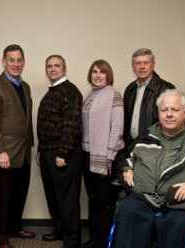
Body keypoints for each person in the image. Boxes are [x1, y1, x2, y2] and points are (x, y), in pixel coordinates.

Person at [115, 89, 185, 248]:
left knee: (178, 222)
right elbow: (124, 156)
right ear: (158, 113)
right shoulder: (146, 136)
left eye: (175, 110)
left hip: (180, 202)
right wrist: (127, 168)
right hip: (145, 197)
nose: (169, 114)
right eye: (164, 110)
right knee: (128, 208)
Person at [0, 44, 35, 248]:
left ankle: (14, 227)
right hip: (2, 155)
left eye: (19, 59)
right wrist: (0, 151)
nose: (16, 64)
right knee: (0, 200)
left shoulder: (25, 86)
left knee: (18, 195)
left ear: (24, 61)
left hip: (23, 154)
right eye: (11, 60)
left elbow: (25, 120)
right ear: (3, 62)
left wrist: (32, 148)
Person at [36, 55, 83, 248]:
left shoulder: (70, 91)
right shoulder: (52, 91)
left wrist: (62, 153)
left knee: (67, 197)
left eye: (57, 66)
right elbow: (46, 124)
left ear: (64, 69)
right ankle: (60, 230)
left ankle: (72, 240)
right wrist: (40, 150)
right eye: (49, 66)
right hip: (47, 152)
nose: (52, 69)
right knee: (53, 195)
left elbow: (71, 125)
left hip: (63, 153)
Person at [81, 60, 125, 248]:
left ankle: (106, 241)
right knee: (94, 198)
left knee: (107, 200)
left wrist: (108, 157)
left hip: (106, 156)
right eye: (94, 72)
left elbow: (117, 129)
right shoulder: (89, 95)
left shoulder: (114, 95)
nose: (98, 75)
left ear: (108, 75)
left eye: (102, 72)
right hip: (87, 153)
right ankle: (95, 238)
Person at [123, 48, 175, 147]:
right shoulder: (130, 90)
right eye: (138, 63)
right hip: (131, 147)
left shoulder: (166, 89)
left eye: (146, 63)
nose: (142, 67)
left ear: (153, 65)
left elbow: (174, 124)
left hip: (157, 149)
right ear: (133, 67)